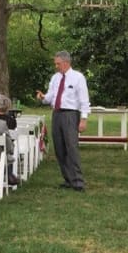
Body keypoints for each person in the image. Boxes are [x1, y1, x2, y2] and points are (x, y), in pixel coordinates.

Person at [35, 50, 90, 192]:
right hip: (57, 114)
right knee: (59, 148)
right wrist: (43, 97)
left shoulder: (78, 77)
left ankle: (78, 181)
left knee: (71, 147)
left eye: (58, 63)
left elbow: (84, 100)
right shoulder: (55, 78)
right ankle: (68, 179)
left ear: (66, 63)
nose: (56, 66)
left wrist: (83, 119)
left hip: (71, 114)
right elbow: (50, 96)